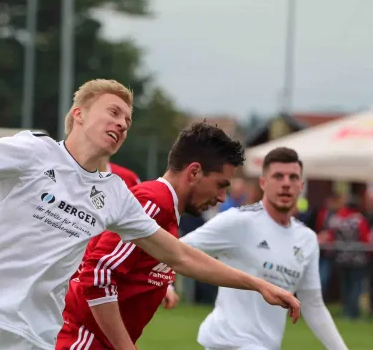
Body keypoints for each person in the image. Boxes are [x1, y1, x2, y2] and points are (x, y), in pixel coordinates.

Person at [0, 79, 300, 350]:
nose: (122, 123)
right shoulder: (33, 151)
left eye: (128, 120)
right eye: (114, 112)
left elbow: (180, 257)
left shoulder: (117, 195)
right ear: (77, 115)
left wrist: (258, 283)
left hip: (33, 336)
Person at [56, 122, 243, 350]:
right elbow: (98, 273)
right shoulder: (154, 202)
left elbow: (184, 259)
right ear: (194, 172)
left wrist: (261, 286)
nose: (223, 197)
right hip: (82, 338)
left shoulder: (164, 207)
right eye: (220, 185)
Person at [181, 147, 348, 350]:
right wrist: (166, 285)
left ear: (300, 186)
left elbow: (313, 304)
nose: (286, 183)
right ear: (263, 183)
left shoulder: (307, 239)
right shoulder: (239, 221)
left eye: (293, 177)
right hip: (228, 342)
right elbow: (178, 250)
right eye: (278, 176)